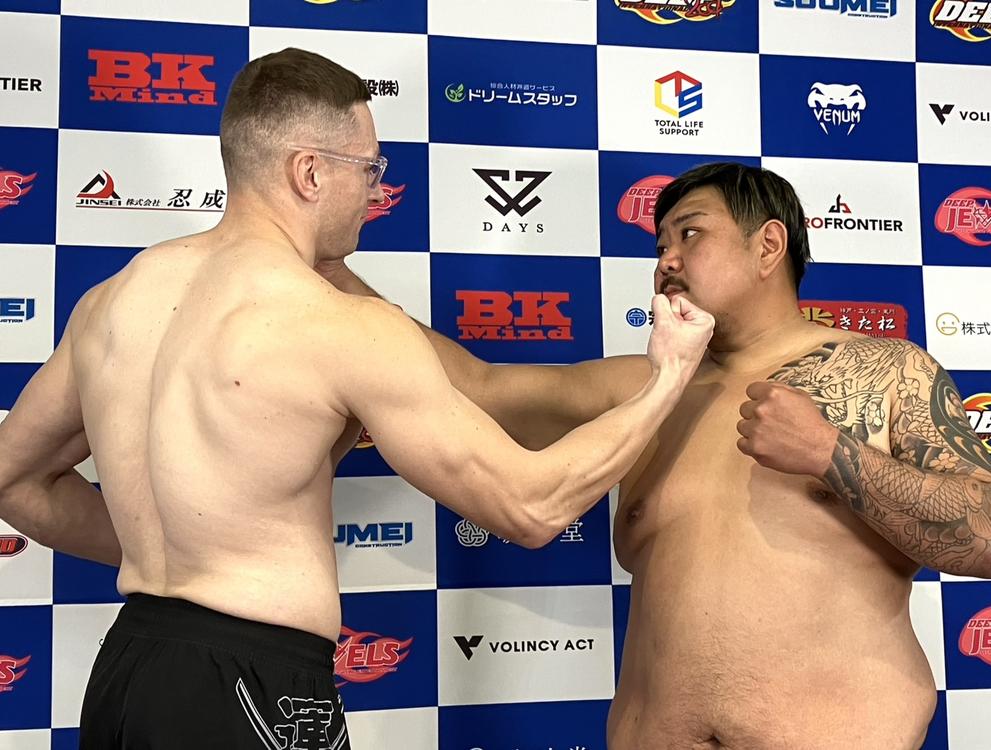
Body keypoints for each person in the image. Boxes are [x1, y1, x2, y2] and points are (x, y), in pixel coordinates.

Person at [0, 49, 714, 748]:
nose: (377, 192)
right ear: (309, 172)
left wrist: (174, 543)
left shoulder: (110, 301)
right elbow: (530, 507)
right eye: (370, 168)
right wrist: (668, 378)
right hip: (253, 683)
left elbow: (13, 479)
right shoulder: (337, 323)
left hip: (127, 670)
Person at [323, 162, 991, 750]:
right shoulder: (645, 391)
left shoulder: (885, 371)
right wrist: (327, 269)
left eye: (690, 234)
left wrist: (830, 452)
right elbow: (476, 386)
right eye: (660, 244)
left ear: (768, 245)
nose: (666, 260)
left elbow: (990, 533)